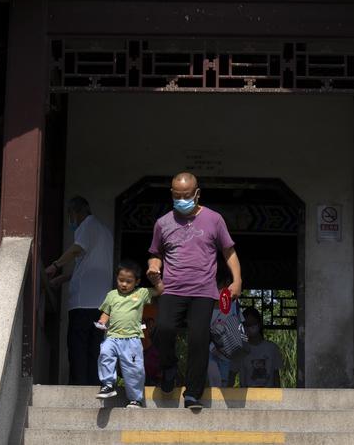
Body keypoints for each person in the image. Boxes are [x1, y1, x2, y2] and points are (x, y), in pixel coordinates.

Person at [147, 172, 242, 409]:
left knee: (199, 339)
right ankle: (169, 367)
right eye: (177, 196)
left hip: (203, 291)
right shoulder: (162, 223)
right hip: (172, 289)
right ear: (171, 194)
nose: (182, 200)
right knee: (163, 329)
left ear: (197, 194)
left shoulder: (214, 219)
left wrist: (237, 280)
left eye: (186, 195)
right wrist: (154, 267)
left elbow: (229, 251)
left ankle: (193, 393)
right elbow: (156, 253)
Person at [44, 196, 113, 385]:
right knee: (94, 348)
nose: (70, 220)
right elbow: (87, 264)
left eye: (70, 215)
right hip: (102, 304)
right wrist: (64, 278)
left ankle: (78, 387)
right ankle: (92, 386)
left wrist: (55, 265)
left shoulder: (86, 225)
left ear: (74, 213)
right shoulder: (105, 231)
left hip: (83, 303)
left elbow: (76, 249)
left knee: (78, 347)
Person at [96, 260, 164, 408]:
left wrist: (157, 280)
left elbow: (160, 291)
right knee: (105, 354)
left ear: (137, 282)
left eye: (128, 281)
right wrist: (102, 322)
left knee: (134, 369)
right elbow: (106, 312)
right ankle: (108, 384)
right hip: (112, 336)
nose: (124, 284)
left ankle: (135, 399)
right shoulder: (111, 295)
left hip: (132, 340)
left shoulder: (141, 293)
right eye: (121, 280)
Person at [232, 307, 282, 388]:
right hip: (247, 394)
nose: (249, 327)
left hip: (269, 394)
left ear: (259, 324)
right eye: (246, 325)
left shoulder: (272, 348)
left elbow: (276, 377)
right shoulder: (239, 351)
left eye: (252, 323)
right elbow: (231, 376)